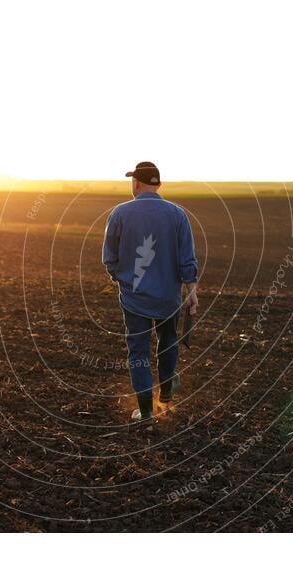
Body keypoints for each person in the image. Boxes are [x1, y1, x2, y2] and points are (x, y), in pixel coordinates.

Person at [102, 161, 199, 423]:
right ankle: (166, 392)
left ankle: (145, 412)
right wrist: (191, 291)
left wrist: (119, 279)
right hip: (169, 298)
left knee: (139, 352)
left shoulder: (119, 214)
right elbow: (186, 259)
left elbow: (109, 258)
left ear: (136, 183)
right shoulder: (178, 214)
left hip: (134, 299)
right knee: (168, 343)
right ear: (159, 185)